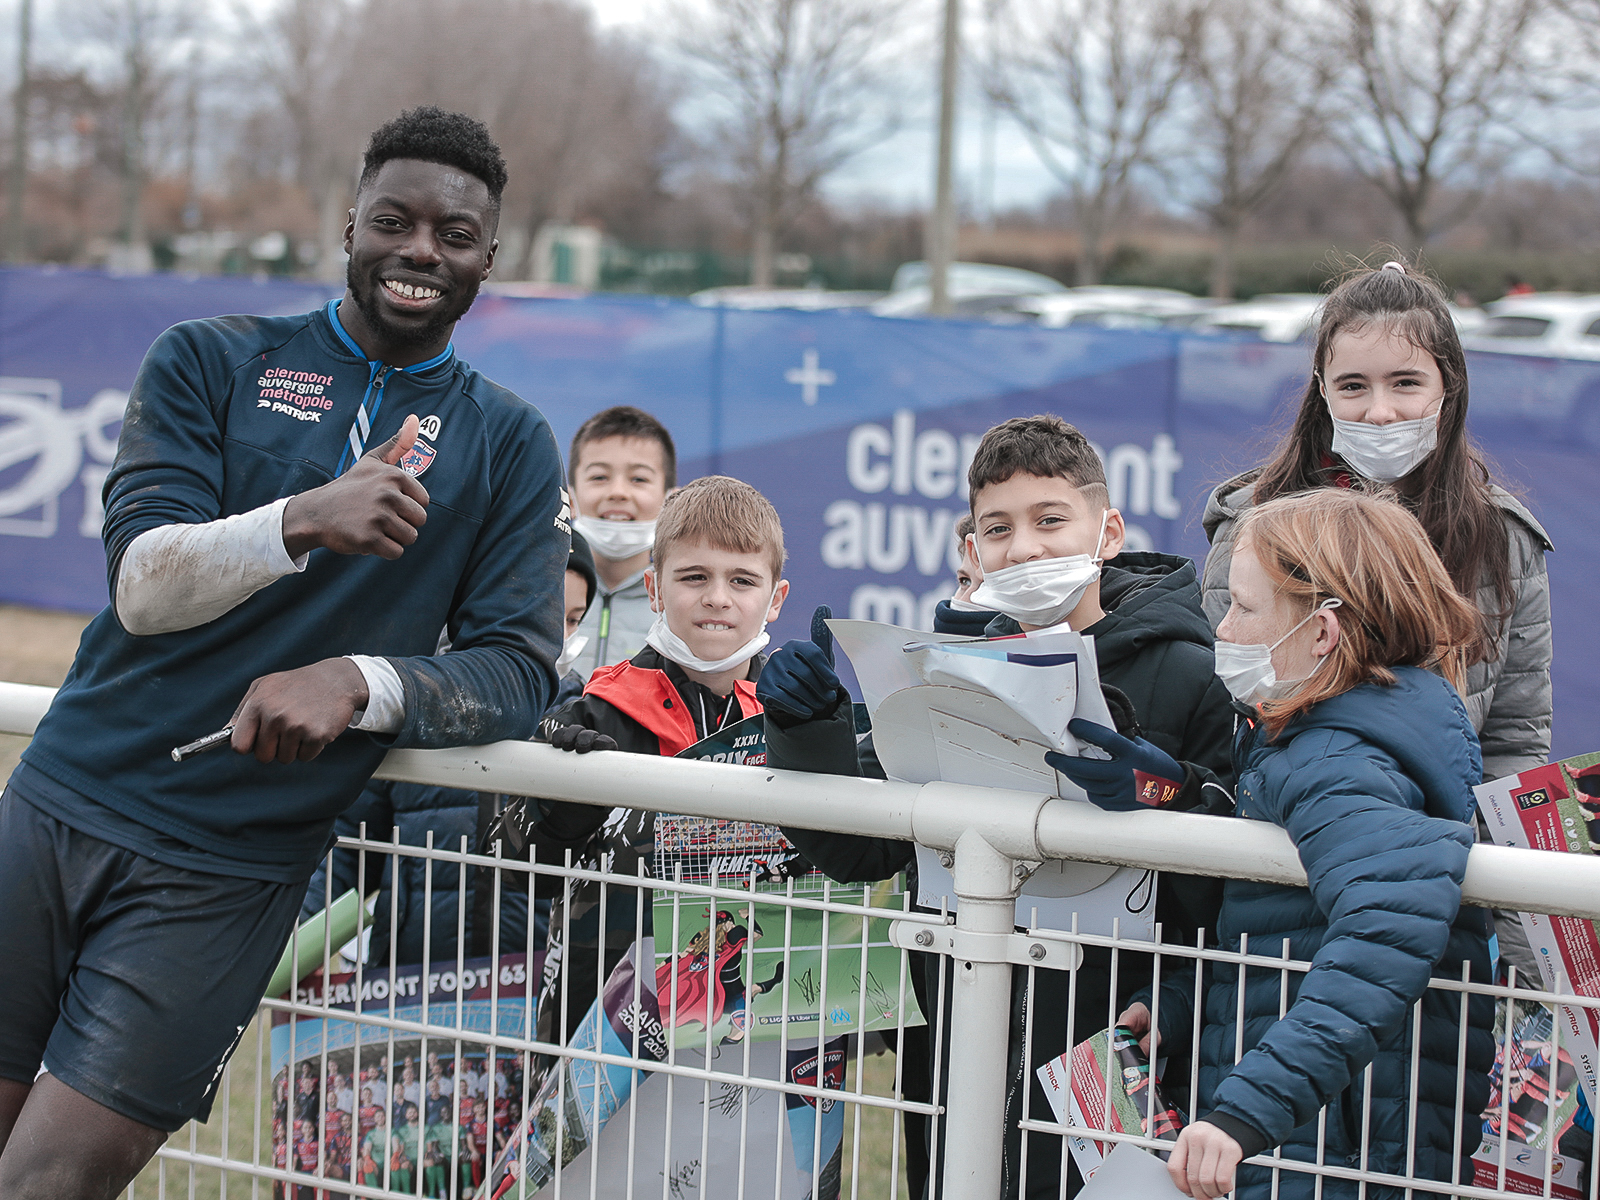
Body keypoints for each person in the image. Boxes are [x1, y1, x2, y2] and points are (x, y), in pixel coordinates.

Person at [0, 107, 567, 1197]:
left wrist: (363, 684)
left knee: (50, 1182)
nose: (420, 251)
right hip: (60, 803)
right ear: (347, 224)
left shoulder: (507, 441)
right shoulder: (209, 358)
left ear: (488, 261)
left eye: (454, 236)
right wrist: (302, 518)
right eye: (394, 221)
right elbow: (143, 584)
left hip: (228, 869)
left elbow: (514, 670)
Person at [758, 413, 1235, 1200]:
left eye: (1051, 520)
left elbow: (1226, 885)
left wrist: (1167, 793)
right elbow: (861, 849)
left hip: (1113, 1037)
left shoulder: (1191, 673)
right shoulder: (940, 670)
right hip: (954, 1033)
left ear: (1107, 531)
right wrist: (806, 733)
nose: (1026, 548)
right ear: (972, 552)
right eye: (998, 529)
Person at [1111, 489, 1494, 1200]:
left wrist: (1245, 1113)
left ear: (1322, 634)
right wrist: (1182, 999)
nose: (1221, 626)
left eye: (1245, 608)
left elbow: (1382, 937)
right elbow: (1294, 931)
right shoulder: (1311, 739)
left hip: (1332, 1150)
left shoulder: (1336, 760)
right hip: (1323, 1132)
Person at [1200, 258, 1552, 973]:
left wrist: (1522, 955)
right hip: (1274, 885)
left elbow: (1514, 740)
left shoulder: (1501, 541)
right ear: (1321, 392)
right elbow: (1223, 713)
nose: (1380, 411)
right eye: (1353, 386)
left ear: (1447, 389)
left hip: (1435, 898)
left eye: (1406, 382)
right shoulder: (1252, 525)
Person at [504, 474, 788, 1047]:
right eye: (694, 577)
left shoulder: (795, 720)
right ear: (655, 590)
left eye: (742, 580)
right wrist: (560, 800)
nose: (717, 597)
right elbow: (515, 865)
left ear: (775, 599)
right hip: (603, 1008)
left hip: (752, 1024)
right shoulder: (593, 711)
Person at [568, 405, 679, 675]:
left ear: (670, 501)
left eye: (638, 479)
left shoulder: (679, 604)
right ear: (570, 498)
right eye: (599, 477)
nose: (618, 492)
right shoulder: (540, 589)